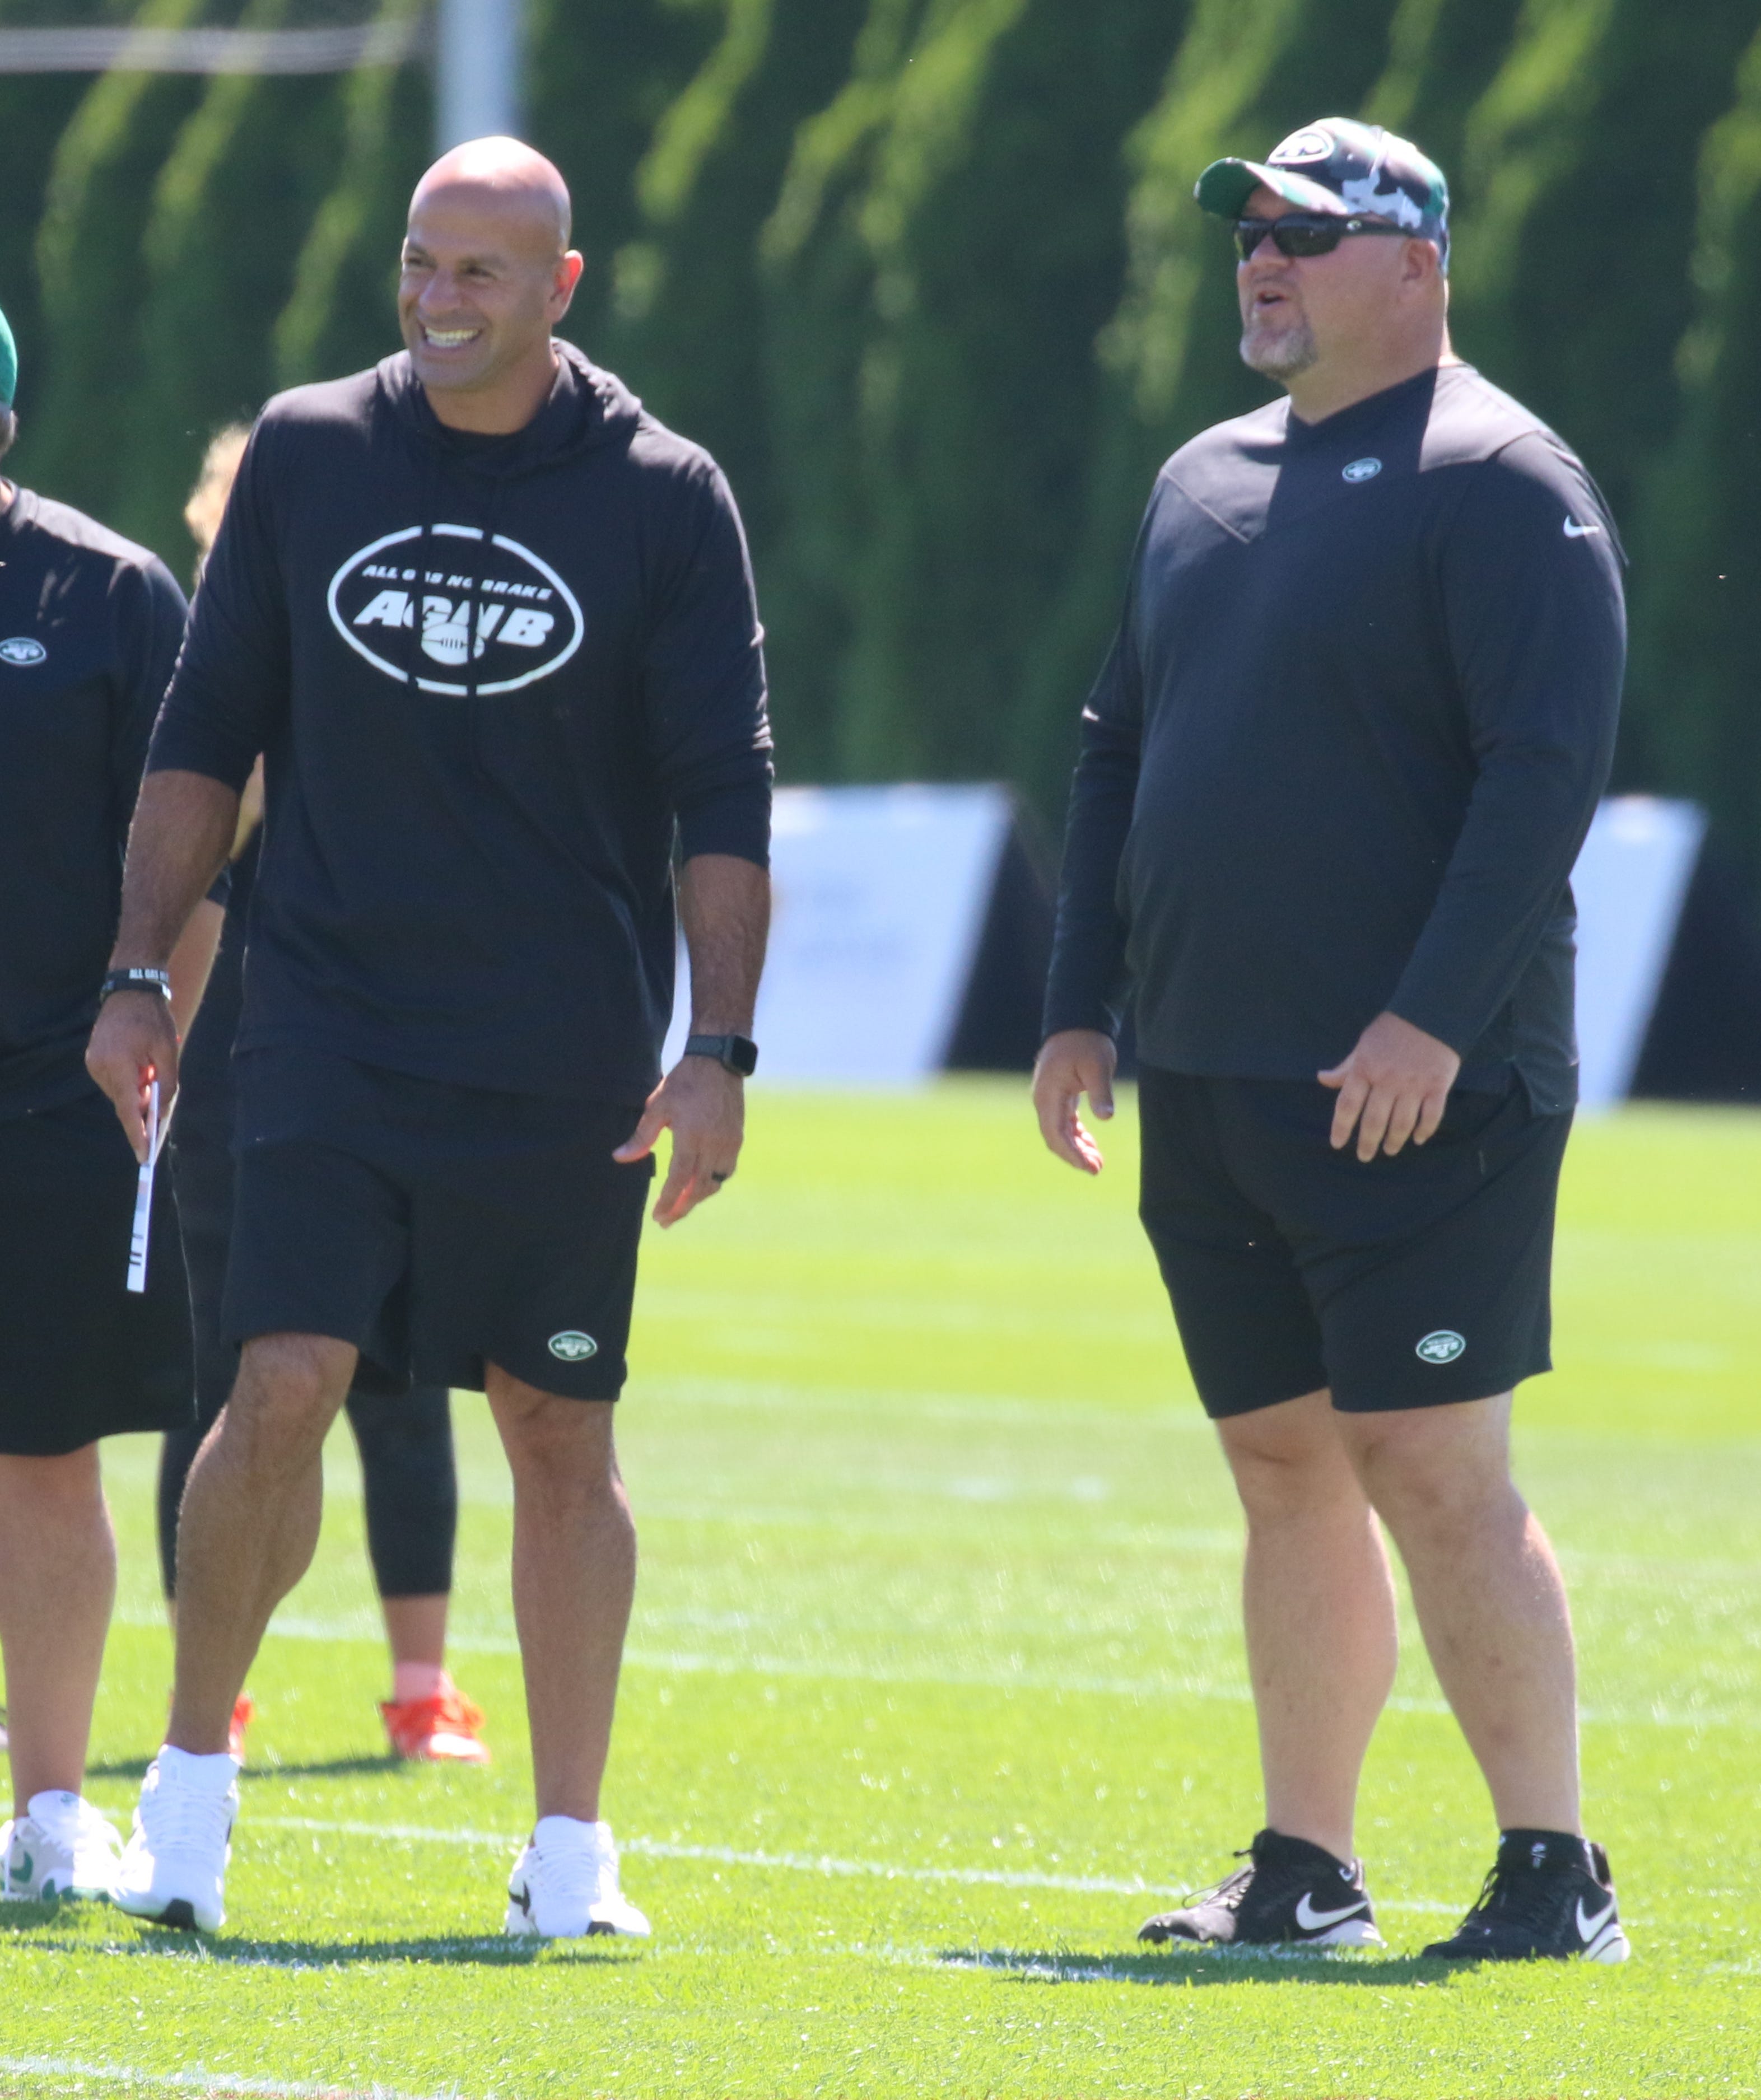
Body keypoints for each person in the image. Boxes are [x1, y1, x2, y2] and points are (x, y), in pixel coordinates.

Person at [88, 136, 771, 1941]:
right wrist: (139, 974)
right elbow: (203, 726)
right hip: (324, 1020)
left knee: (560, 1421)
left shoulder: (667, 494)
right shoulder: (312, 451)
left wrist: (724, 1050)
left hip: (563, 1050)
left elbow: (725, 791)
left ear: (561, 284)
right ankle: (189, 1793)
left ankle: (569, 1853)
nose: (437, 300)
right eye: (419, 264)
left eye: (479, 272)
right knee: (284, 1377)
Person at [1033, 119, 1629, 1962]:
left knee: (1432, 1464)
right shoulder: (1196, 478)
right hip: (1212, 1075)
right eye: (1246, 231)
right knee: (1284, 1465)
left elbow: (1543, 778)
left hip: (1419, 1085)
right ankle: (1308, 1869)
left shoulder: (1503, 477)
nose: (1259, 258)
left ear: (1415, 263)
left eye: (1303, 229)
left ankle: (1554, 1871)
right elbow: (1116, 748)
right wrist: (1074, 1008)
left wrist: (1426, 1020)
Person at [163, 427, 490, 1768]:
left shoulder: (401, 650)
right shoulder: (203, 653)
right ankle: (214, 1695)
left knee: (404, 1375)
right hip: (232, 1019)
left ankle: (424, 1688)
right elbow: (201, 831)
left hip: (376, 1024)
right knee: (221, 1369)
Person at [0, 302, 223, 1902]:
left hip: (48, 1091)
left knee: (43, 1451)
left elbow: (198, 851)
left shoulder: (108, 589)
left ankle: (53, 1805)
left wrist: (156, 1044)